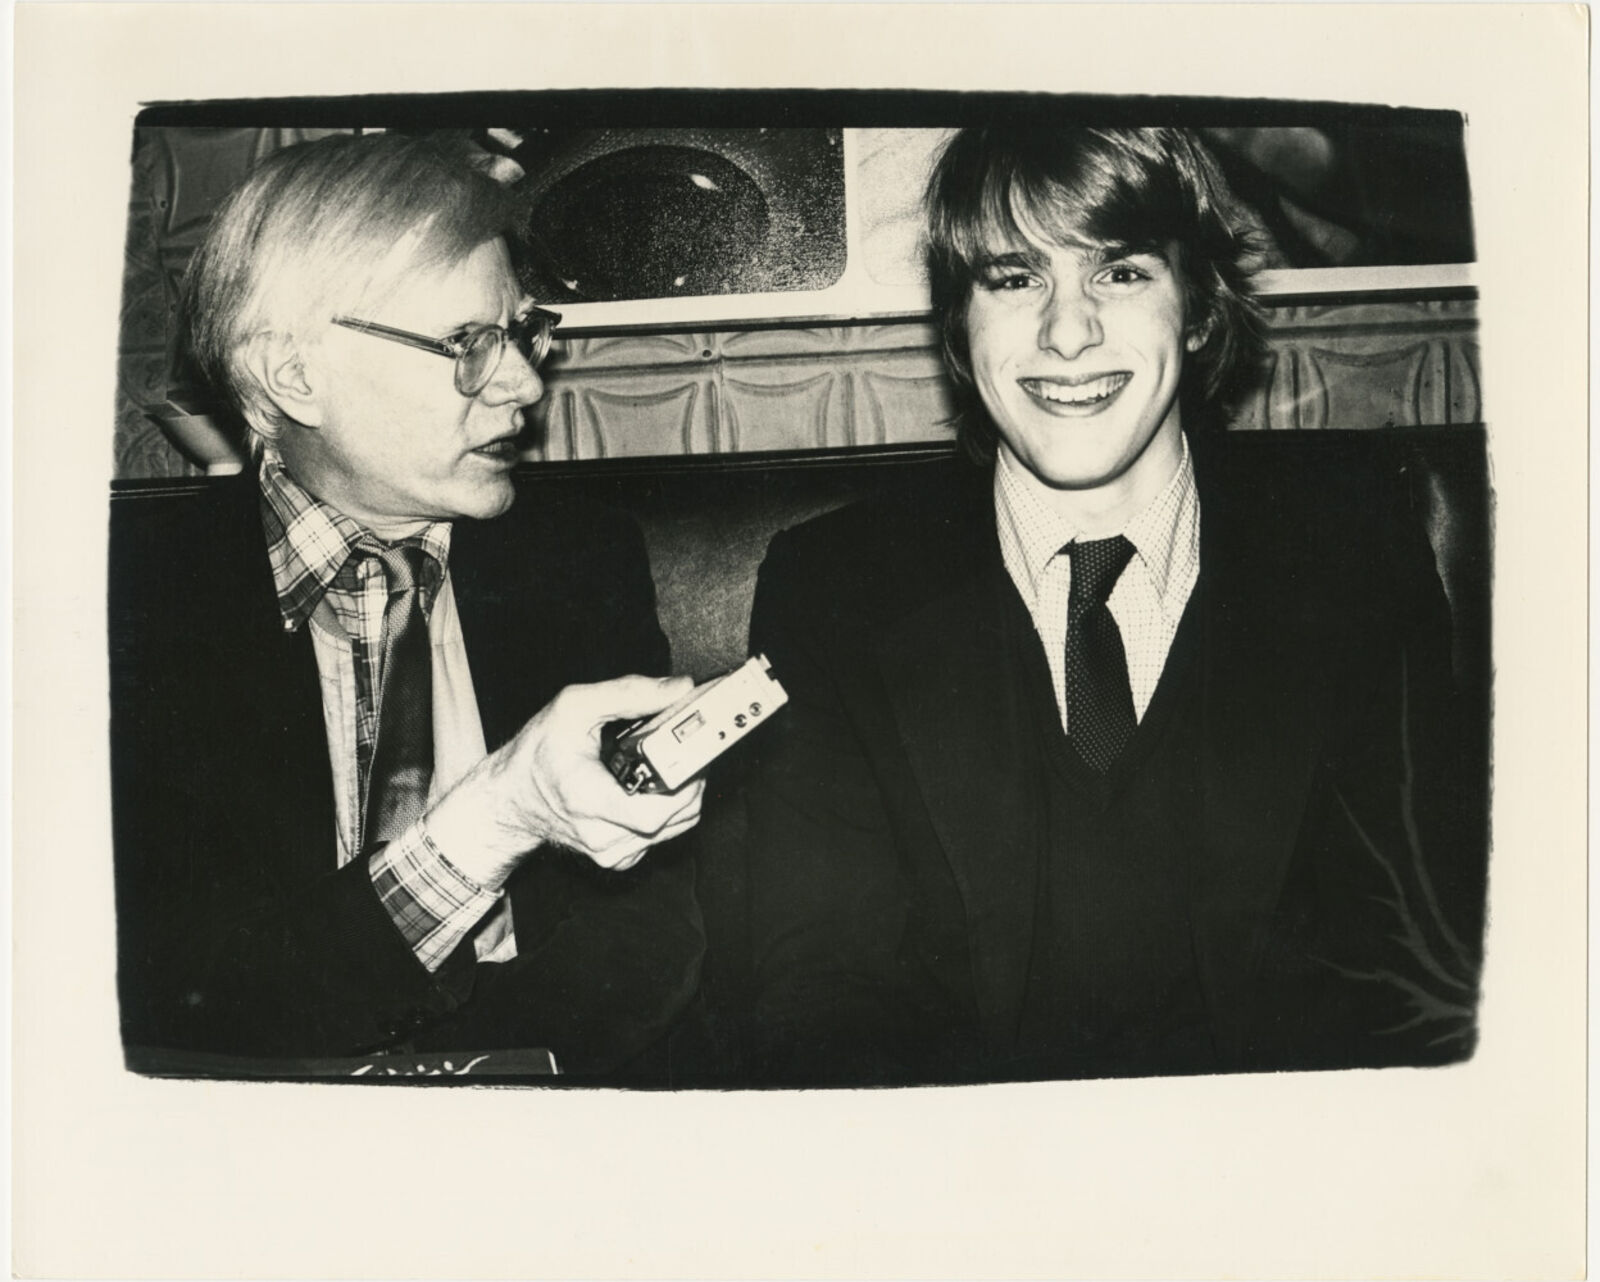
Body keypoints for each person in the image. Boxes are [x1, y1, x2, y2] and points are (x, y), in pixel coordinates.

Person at [743, 127, 1484, 1085]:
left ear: (1199, 308)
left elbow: (1423, 958)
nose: (1066, 330)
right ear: (960, 327)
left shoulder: (1349, 550)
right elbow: (812, 1002)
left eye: (1120, 274)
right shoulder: (832, 588)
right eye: (1014, 279)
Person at [109, 132, 706, 1078]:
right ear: (293, 376)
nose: (521, 381)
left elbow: (652, 928)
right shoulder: (113, 603)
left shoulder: (578, 558)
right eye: (469, 344)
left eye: (521, 331)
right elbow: (158, 1001)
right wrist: (501, 818)